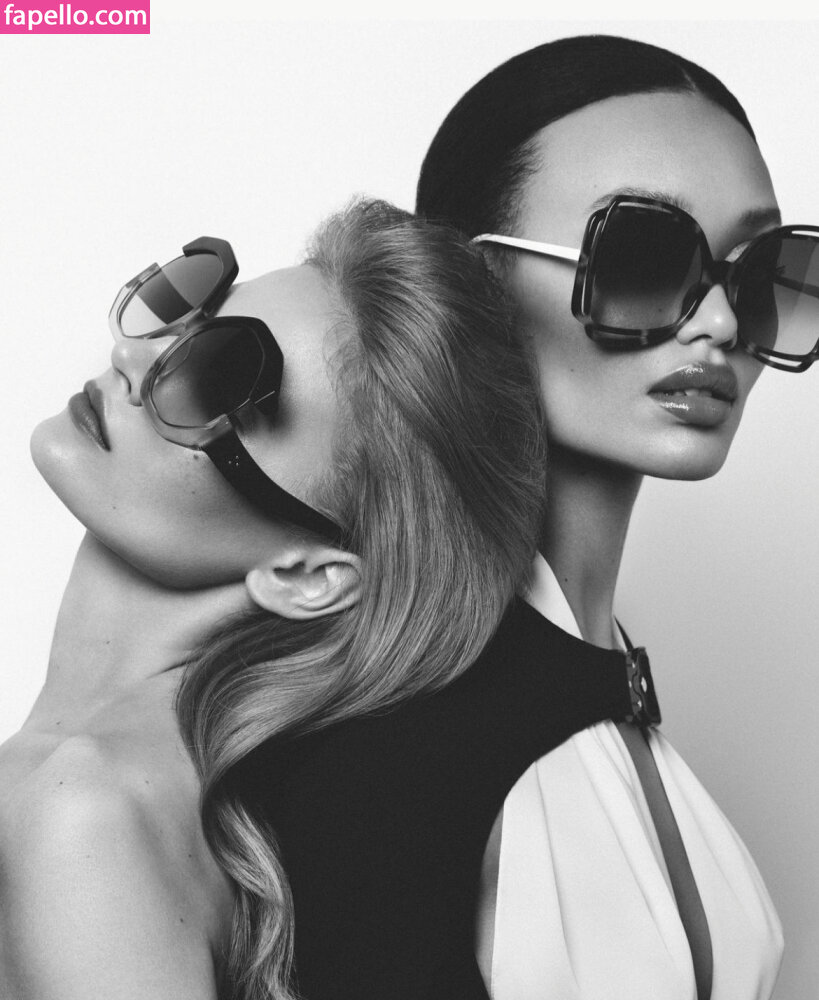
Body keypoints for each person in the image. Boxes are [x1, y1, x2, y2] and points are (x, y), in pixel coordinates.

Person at [230, 35, 819, 1000]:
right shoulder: (401, 734)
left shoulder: (603, 685)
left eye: (761, 272)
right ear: (470, 291)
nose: (718, 324)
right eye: (642, 255)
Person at [0, 199, 547, 999]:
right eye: (186, 309)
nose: (131, 356)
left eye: (218, 377)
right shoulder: (91, 784)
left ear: (306, 575)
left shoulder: (85, 813)